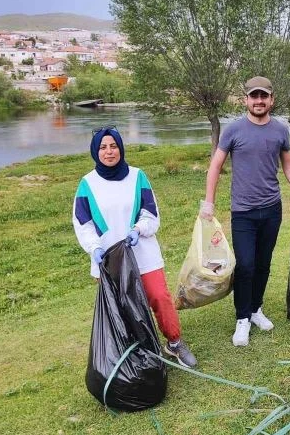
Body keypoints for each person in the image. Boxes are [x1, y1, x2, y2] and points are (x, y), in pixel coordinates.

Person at [201, 76, 290, 347]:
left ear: (271, 100)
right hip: (243, 212)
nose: (259, 101)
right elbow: (215, 166)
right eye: (254, 96)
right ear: (246, 100)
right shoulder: (233, 130)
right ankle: (242, 318)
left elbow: (288, 165)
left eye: (264, 96)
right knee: (246, 265)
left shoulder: (280, 130)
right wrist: (209, 202)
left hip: (272, 209)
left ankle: (255, 309)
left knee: (263, 263)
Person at [73, 126, 197, 368]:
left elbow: (151, 213)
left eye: (113, 146)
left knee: (159, 296)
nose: (109, 151)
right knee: (122, 307)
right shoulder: (87, 184)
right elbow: (83, 223)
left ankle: (174, 343)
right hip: (110, 259)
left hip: (142, 252)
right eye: (103, 147)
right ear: (95, 151)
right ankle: (136, 352)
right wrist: (94, 247)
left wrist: (138, 229)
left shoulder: (138, 176)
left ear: (121, 148)